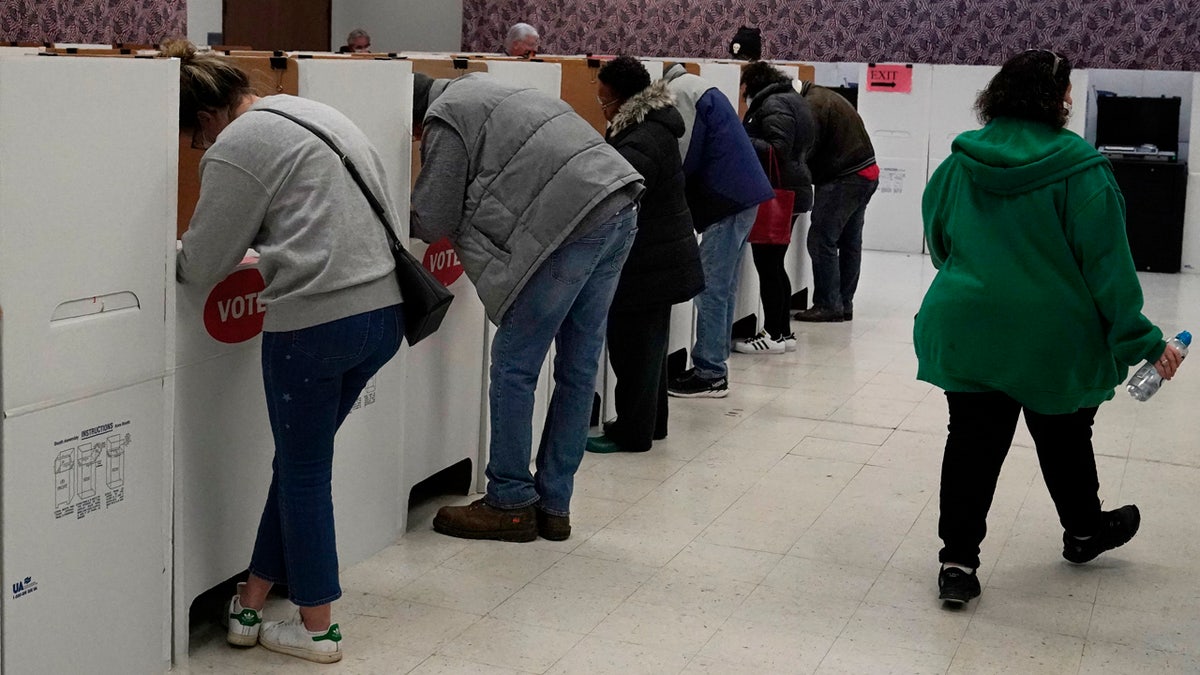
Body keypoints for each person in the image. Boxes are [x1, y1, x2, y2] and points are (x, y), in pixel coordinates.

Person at [916, 49, 1185, 607]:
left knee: (970, 442)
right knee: (1064, 436)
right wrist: (1144, 343)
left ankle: (958, 563)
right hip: (1052, 339)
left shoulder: (959, 163)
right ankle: (1085, 533)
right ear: (1059, 99)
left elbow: (940, 241)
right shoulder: (1081, 169)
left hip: (969, 326)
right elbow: (1108, 269)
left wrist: (982, 281)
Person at [168, 40, 405, 663]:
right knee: (299, 461)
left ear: (207, 118)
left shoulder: (236, 148)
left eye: (193, 137)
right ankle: (250, 602)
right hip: (382, 313)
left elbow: (200, 264)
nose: (198, 150)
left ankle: (318, 627)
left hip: (315, 324)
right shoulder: (311, 110)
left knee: (304, 472)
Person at [411, 72, 644, 542]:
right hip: (620, 203)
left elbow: (434, 216)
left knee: (515, 362)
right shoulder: (491, 87)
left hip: (575, 219)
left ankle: (511, 501)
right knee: (578, 368)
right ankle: (554, 504)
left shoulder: (444, 116)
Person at [585, 57, 703, 454]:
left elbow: (617, 194)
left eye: (603, 100)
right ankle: (651, 424)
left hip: (646, 261)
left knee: (631, 348)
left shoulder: (640, 140)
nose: (601, 106)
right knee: (649, 348)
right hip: (660, 258)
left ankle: (633, 433)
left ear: (620, 98)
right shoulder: (653, 128)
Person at [661, 63, 774, 398]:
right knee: (723, 288)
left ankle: (710, 372)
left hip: (725, 199)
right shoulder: (700, 85)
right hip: (742, 196)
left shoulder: (681, 92)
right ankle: (715, 362)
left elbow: (683, 151)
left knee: (709, 288)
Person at [736, 61, 815, 354]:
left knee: (768, 264)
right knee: (774, 263)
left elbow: (776, 150)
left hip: (778, 192)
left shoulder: (773, 104)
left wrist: (741, 137)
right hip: (792, 189)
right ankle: (783, 332)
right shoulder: (792, 99)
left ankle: (772, 333)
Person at [791, 79, 878, 323]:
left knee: (821, 240)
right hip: (865, 172)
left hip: (844, 177)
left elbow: (808, 149)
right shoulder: (823, 95)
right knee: (850, 242)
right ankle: (843, 302)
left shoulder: (812, 106)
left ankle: (828, 304)